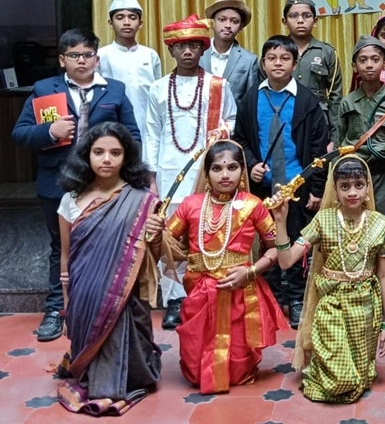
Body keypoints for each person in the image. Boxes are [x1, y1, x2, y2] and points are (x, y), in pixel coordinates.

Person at [13, 28, 140, 343]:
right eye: (74, 55)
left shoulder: (114, 90)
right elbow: (20, 133)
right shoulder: (44, 89)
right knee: (61, 246)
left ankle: (106, 305)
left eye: (87, 54)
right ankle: (56, 310)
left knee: (108, 242)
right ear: (62, 60)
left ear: (96, 58)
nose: (81, 60)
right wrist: (50, 131)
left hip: (105, 184)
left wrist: (128, 174)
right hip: (58, 181)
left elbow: (133, 136)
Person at [162, 141, 287, 394]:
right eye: (217, 168)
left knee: (239, 369)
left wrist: (250, 272)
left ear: (242, 170)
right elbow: (165, 242)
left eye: (232, 167)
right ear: (207, 173)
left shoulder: (253, 204)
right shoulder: (190, 205)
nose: (225, 175)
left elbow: (275, 249)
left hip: (240, 292)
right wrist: (154, 231)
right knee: (194, 369)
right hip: (199, 292)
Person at [55, 123, 162, 415]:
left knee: (124, 352)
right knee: (88, 345)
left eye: (115, 153)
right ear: (86, 155)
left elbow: (153, 257)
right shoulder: (71, 200)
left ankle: (122, 374)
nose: (106, 159)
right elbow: (66, 256)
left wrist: (156, 234)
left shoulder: (142, 200)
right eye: (99, 152)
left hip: (124, 296)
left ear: (126, 157)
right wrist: (67, 303)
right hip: (83, 293)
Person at [276, 155, 385, 403]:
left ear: (368, 187)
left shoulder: (380, 224)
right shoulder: (323, 220)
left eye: (359, 185)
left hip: (366, 310)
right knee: (342, 380)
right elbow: (286, 261)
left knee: (360, 380)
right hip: (332, 307)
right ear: (335, 189)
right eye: (345, 186)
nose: (352, 192)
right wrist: (280, 221)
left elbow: (383, 275)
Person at [144, 14, 237, 329]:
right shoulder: (158, 88)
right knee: (170, 235)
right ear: (171, 49)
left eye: (194, 46)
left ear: (203, 48)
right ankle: (174, 299)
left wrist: (222, 130)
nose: (187, 52)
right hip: (168, 171)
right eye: (181, 46)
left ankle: (203, 292)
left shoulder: (217, 86)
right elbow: (151, 133)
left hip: (207, 172)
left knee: (206, 230)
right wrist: (152, 178)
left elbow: (231, 120)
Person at [233, 35, 330, 329]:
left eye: (285, 58)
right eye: (272, 58)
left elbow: (319, 147)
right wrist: (251, 164)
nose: (278, 63)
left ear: (295, 64)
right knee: (267, 241)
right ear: (263, 63)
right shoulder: (251, 99)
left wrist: (316, 188)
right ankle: (273, 296)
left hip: (296, 187)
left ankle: (298, 298)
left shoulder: (307, 101)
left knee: (297, 241)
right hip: (264, 187)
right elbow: (240, 139)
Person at [334, 36, 385, 309]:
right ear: (354, 66)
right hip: (354, 179)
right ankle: (359, 296)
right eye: (363, 60)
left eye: (375, 59)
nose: (369, 65)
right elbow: (339, 144)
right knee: (354, 234)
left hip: (384, 176)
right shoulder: (347, 102)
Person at [98, 0, 162, 139]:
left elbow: (157, 93)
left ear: (141, 23)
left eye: (132, 17)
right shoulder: (101, 55)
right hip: (113, 124)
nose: (126, 22)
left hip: (148, 123)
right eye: (120, 17)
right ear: (110, 23)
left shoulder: (150, 55)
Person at [283, 0, 343, 144]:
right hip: (284, 122)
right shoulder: (276, 52)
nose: (300, 20)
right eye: (294, 16)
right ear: (285, 22)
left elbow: (335, 99)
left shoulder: (327, 52)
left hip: (318, 124)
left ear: (315, 21)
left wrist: (334, 140)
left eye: (306, 16)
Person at [201, 0, 259, 105]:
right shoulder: (199, 54)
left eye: (234, 21)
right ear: (212, 23)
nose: (228, 25)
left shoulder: (249, 60)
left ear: (241, 27)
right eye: (222, 20)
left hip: (234, 115)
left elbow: (251, 101)